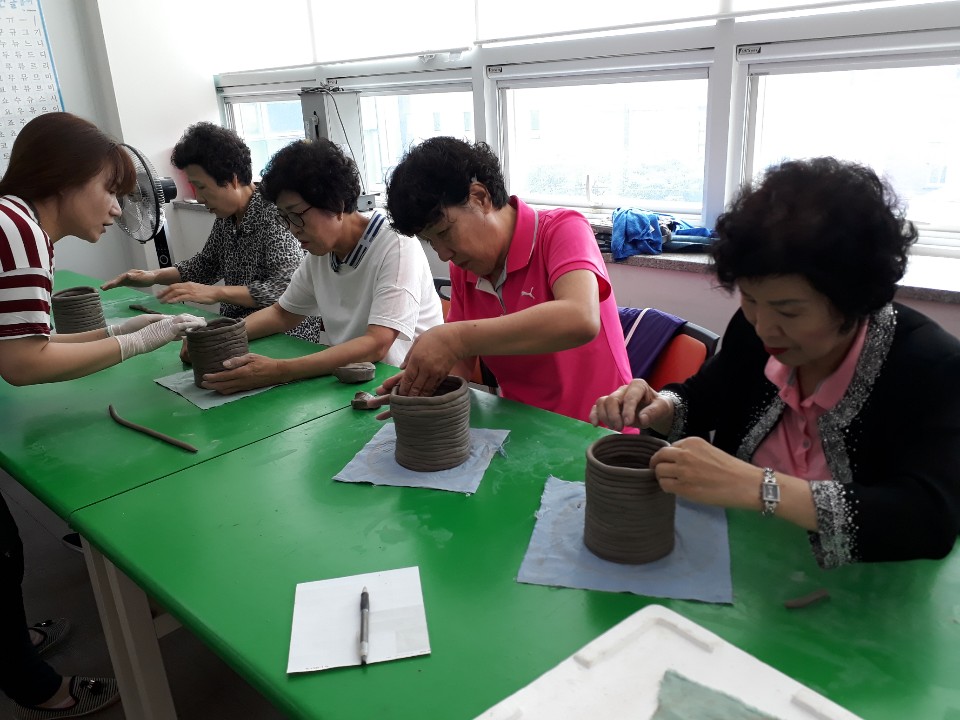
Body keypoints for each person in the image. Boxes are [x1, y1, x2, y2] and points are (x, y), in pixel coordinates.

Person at [591, 157, 960, 569]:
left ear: (855, 301)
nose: (765, 327)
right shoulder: (754, 331)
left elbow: (931, 518)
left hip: (864, 587)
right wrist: (659, 406)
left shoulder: (930, 366)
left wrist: (760, 487)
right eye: (750, 299)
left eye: (789, 311)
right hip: (746, 564)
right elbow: (707, 397)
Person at [0, 113, 204, 718]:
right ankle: (35, 686)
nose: (117, 209)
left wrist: (119, 330)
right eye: (108, 190)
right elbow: (23, 364)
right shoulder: (20, 232)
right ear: (64, 179)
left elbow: (24, 342)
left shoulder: (12, 220)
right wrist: (140, 342)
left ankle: (10, 642)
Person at [380, 137, 632, 425]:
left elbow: (580, 318)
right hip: (521, 428)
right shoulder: (465, 269)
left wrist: (455, 339)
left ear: (480, 198)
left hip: (597, 430)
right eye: (431, 242)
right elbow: (460, 363)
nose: (444, 253)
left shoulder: (562, 229)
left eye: (445, 233)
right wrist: (422, 386)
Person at [197, 138, 444, 394]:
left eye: (296, 215)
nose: (292, 229)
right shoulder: (321, 252)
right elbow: (282, 314)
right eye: (284, 218)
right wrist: (218, 339)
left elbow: (376, 344)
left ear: (336, 204)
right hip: (352, 381)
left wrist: (279, 370)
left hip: (405, 388)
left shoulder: (396, 245)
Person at [101, 122, 323, 345]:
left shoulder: (274, 215)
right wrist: (153, 276)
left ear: (232, 180)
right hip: (238, 326)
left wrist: (216, 293)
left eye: (202, 187)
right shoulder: (227, 216)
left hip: (283, 336)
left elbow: (284, 289)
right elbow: (207, 264)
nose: (199, 198)